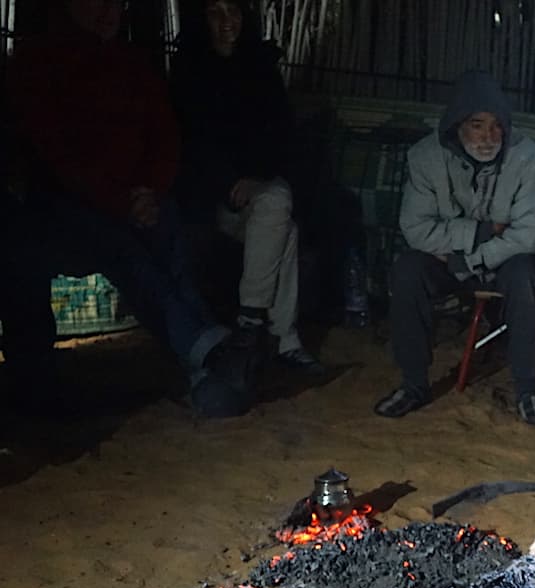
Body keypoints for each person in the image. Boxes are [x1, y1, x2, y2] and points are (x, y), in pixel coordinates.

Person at [4, 0, 255, 417]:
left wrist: (151, 192)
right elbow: (56, 154)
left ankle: (205, 371)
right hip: (70, 206)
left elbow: (164, 132)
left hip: (139, 200)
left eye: (115, 3)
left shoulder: (131, 61)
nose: (107, 12)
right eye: (94, 2)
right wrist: (121, 200)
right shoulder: (39, 61)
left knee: (170, 239)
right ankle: (210, 351)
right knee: (123, 248)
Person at [374, 70, 535, 425]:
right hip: (447, 259)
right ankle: (412, 383)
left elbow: (532, 234)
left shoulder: (527, 156)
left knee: (525, 272)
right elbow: (416, 229)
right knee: (408, 270)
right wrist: (481, 231)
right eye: (477, 125)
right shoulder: (425, 157)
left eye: (496, 126)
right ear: (457, 125)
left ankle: (528, 390)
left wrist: (471, 255)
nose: (488, 137)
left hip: (498, 259)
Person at [170, 0, 323, 374]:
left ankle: (253, 322)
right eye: (214, 12)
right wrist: (226, 183)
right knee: (284, 225)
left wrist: (258, 177)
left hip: (259, 194)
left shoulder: (260, 71)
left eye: (233, 11)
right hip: (209, 200)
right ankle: (279, 336)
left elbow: (282, 137)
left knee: (279, 205)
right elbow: (189, 143)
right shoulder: (189, 72)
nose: (227, 22)